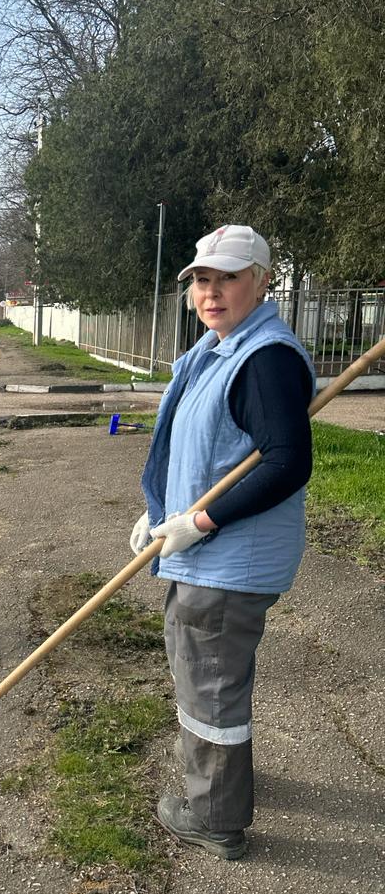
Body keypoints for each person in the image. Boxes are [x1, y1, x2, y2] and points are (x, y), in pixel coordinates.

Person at [130, 225, 314, 860]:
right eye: (202, 280)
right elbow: (207, 453)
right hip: (208, 554)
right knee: (220, 678)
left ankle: (213, 815)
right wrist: (158, 513)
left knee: (208, 686)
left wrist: (197, 525)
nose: (212, 292)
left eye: (228, 278)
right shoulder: (226, 347)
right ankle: (227, 776)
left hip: (226, 562)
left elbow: (286, 461)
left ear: (262, 281)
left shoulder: (263, 358)